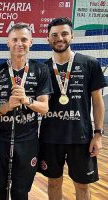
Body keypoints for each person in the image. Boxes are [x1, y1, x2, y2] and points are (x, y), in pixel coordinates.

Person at [38, 17, 107, 200]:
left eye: (64, 33)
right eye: (54, 35)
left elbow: (98, 101)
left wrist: (98, 134)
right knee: (53, 183)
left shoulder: (90, 64)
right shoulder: (41, 69)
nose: (59, 38)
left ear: (72, 36)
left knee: (83, 186)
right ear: (48, 38)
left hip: (81, 137)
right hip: (50, 138)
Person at [0, 23, 53, 200]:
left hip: (28, 141)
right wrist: (8, 106)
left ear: (31, 42)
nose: (19, 43)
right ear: (8, 42)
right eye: (15, 39)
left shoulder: (41, 70)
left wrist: (26, 100)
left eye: (23, 39)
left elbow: (44, 108)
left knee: (21, 191)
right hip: (1, 140)